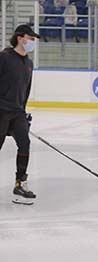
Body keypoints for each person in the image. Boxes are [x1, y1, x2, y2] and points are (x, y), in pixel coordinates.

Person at [0, 24, 40, 205]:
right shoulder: (5, 57)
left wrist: (23, 111)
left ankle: (20, 183)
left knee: (25, 144)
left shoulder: (28, 63)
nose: (32, 42)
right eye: (30, 38)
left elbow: (26, 90)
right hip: (1, 110)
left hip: (17, 113)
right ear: (19, 38)